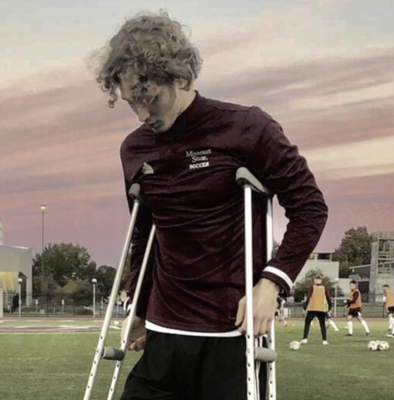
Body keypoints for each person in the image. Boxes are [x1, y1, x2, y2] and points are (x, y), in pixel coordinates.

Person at [92, 11, 328, 400]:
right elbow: (144, 235)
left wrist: (272, 282)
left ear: (180, 77)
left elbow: (310, 207)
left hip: (231, 332)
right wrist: (137, 308)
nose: (142, 115)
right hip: (165, 333)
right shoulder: (134, 150)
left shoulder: (247, 127)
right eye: (132, 102)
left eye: (149, 98)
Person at [300, 276, 331, 345]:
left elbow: (308, 298)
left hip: (312, 308)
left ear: (315, 281)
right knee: (322, 325)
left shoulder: (312, 287)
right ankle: (324, 340)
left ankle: (305, 339)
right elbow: (328, 298)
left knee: (307, 323)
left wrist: (304, 307)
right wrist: (330, 308)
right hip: (321, 308)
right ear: (321, 281)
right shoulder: (324, 288)